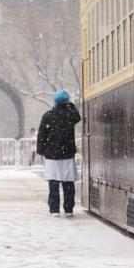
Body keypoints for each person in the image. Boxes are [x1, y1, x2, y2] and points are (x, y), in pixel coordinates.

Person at [35, 89, 81, 217]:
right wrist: (71, 105)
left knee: (53, 183)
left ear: (55, 101)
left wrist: (41, 150)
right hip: (67, 154)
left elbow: (41, 135)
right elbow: (77, 116)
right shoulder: (70, 115)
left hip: (52, 155)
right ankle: (68, 209)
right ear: (66, 102)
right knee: (68, 183)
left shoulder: (48, 115)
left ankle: (54, 209)